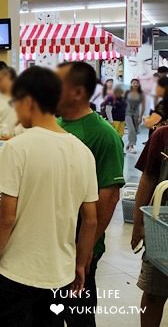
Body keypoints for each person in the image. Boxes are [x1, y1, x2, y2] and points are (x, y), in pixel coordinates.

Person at [0, 66, 98, 326]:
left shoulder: (16, 148)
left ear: (28, 101)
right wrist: (80, 265)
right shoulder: (82, 153)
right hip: (60, 273)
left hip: (16, 274)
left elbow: (6, 216)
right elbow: (90, 220)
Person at [57, 62, 125, 326]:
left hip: (78, 248)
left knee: (78, 317)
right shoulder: (54, 126)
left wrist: (84, 254)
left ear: (76, 92)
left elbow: (108, 201)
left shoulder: (104, 136)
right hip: (51, 246)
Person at [132, 127, 168, 327]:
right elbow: (148, 177)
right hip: (162, 231)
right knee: (154, 293)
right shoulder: (162, 135)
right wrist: (138, 222)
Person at [126, 78, 146, 153]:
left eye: (136, 83)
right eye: (133, 82)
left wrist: (141, 116)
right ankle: (132, 146)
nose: (135, 84)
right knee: (131, 130)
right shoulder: (127, 92)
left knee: (136, 131)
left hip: (136, 114)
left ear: (139, 84)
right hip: (127, 113)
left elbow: (143, 105)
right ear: (131, 84)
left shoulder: (141, 93)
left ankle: (129, 144)